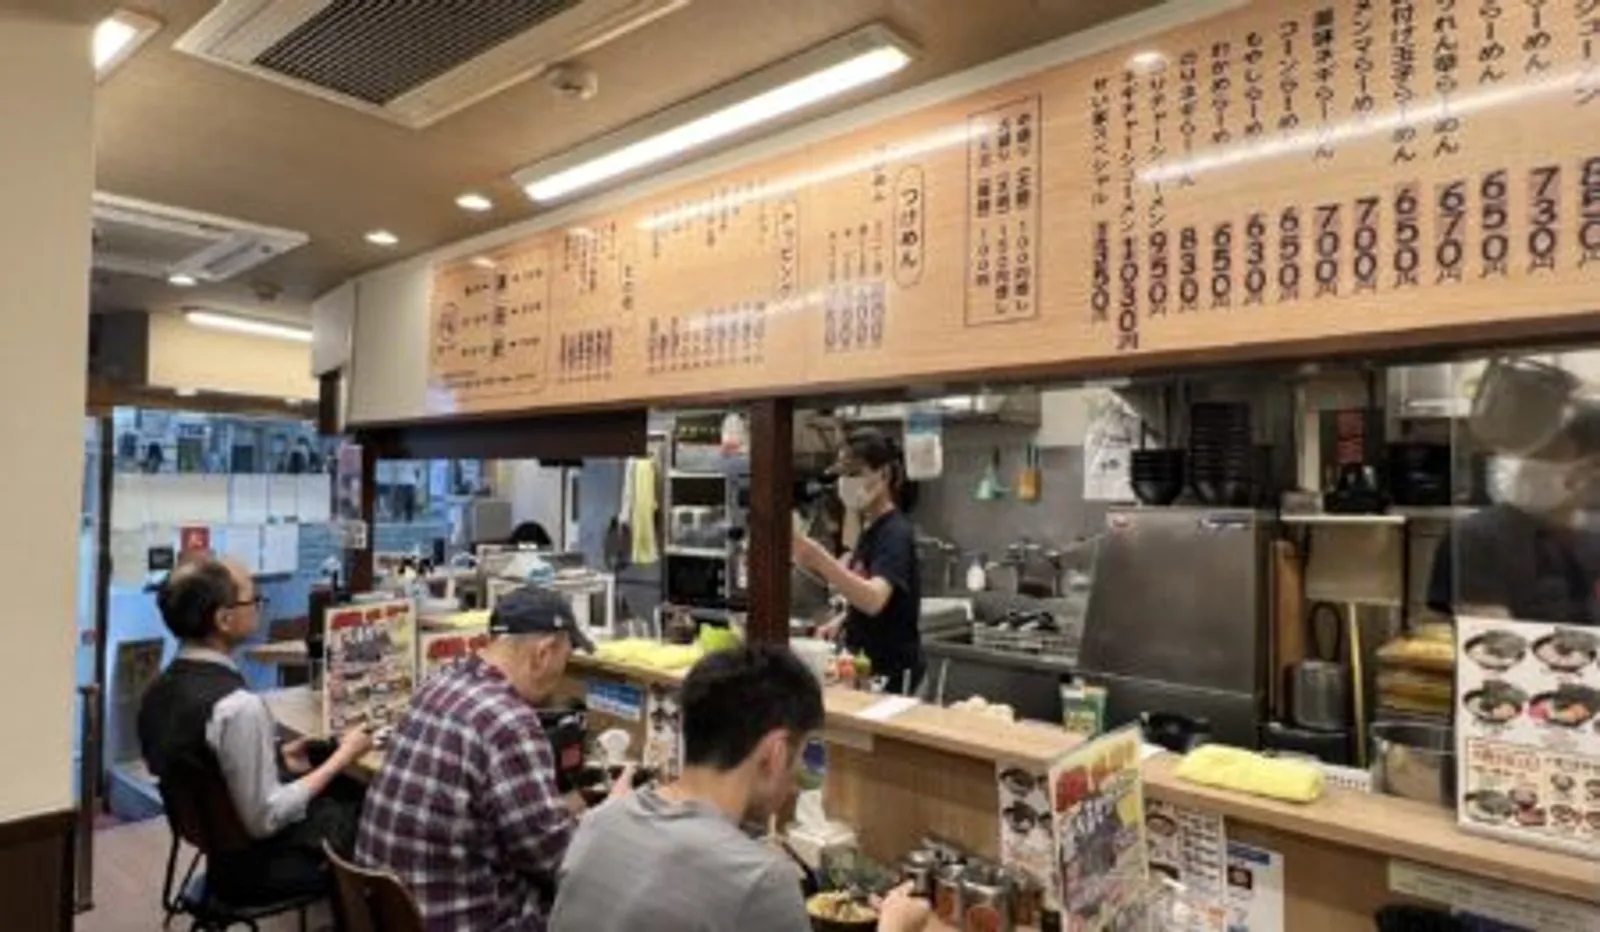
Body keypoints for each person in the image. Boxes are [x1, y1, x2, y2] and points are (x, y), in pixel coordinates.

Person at [550, 645, 933, 932]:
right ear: (775, 753)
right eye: (800, 758)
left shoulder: (600, 822)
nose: (795, 780)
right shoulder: (759, 879)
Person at [356, 587, 616, 931]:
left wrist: (576, 803)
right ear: (544, 652)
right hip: (464, 921)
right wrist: (614, 817)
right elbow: (558, 860)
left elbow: (504, 818)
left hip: (394, 915)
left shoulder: (437, 685)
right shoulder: (510, 723)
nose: (561, 674)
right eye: (566, 658)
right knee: (610, 899)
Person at [137, 557, 373, 903]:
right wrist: (342, 758)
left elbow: (207, 770)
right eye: (253, 599)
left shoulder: (158, 690)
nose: (259, 606)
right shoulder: (237, 706)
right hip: (260, 870)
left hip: (220, 854)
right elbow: (266, 817)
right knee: (371, 802)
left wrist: (277, 758)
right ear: (223, 619)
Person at [1427, 418, 1600, 625]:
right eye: (1528, 455)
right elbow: (1495, 644)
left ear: (1590, 470)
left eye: (1549, 455)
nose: (1531, 466)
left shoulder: (1591, 537)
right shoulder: (1475, 537)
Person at [793, 427, 925, 693]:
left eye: (855, 473)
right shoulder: (871, 528)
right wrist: (843, 620)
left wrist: (818, 558)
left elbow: (874, 600)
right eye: (842, 475)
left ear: (885, 474)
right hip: (867, 669)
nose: (846, 483)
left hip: (893, 676)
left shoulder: (894, 532)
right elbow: (869, 601)